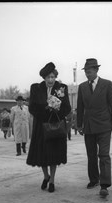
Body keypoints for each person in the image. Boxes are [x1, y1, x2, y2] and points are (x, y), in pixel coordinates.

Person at [77, 58, 112, 197]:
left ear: (96, 70)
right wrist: (78, 125)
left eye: (89, 71)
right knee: (91, 155)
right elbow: (80, 107)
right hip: (88, 126)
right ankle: (94, 180)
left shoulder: (106, 84)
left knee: (104, 155)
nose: (87, 74)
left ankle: (104, 185)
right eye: (86, 72)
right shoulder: (82, 87)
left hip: (104, 126)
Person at [26, 62, 71, 193]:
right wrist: (46, 110)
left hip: (55, 125)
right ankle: (46, 176)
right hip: (41, 125)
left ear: (55, 77)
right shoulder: (35, 88)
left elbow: (67, 107)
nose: (51, 80)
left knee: (54, 154)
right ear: (44, 78)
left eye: (53, 77)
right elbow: (32, 107)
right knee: (42, 154)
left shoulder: (62, 88)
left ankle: (52, 180)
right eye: (48, 77)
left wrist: (57, 110)